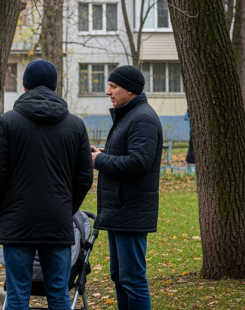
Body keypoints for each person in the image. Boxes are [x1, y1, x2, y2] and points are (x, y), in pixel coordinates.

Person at [0, 60, 94, 310]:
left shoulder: (7, 122)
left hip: (17, 220)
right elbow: (84, 177)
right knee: (58, 292)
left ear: (25, 87)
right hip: (57, 220)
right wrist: (66, 208)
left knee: (17, 293)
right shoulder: (76, 125)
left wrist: (1, 212)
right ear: (55, 87)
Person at [90, 65, 162, 310]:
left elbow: (139, 162)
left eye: (113, 86)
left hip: (130, 211)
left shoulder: (142, 118)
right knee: (121, 277)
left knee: (132, 279)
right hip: (120, 210)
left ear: (129, 90)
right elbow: (127, 154)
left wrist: (99, 161)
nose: (108, 92)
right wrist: (104, 153)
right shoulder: (129, 115)